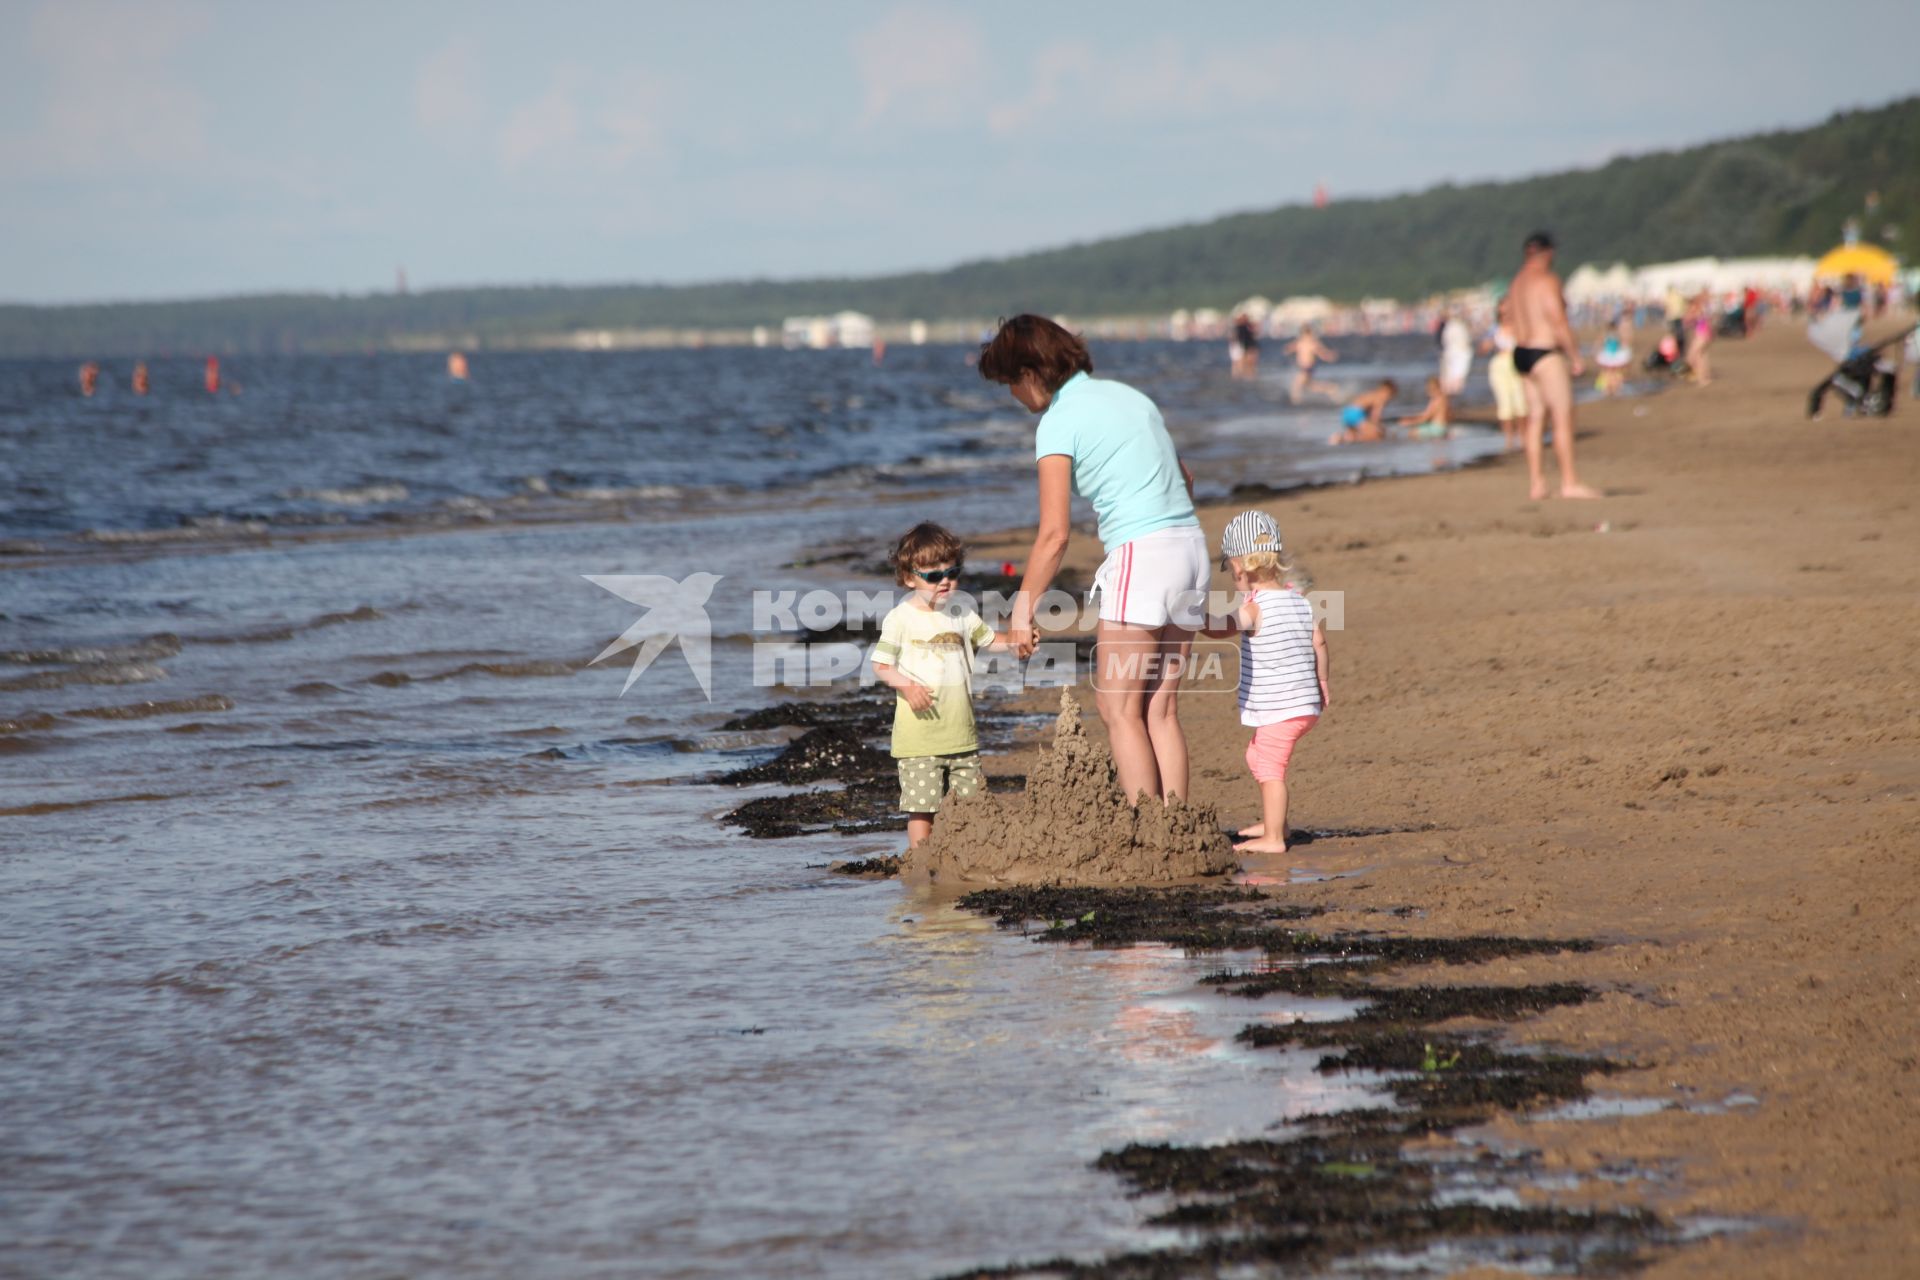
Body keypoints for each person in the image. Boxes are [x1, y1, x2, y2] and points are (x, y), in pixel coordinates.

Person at [979, 314, 1205, 804]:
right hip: (1190, 548)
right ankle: (1177, 826)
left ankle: (1150, 835)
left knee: (1118, 709)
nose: (1013, 396)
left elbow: (1055, 535)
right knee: (1160, 709)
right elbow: (1185, 478)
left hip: (1142, 558)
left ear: (1031, 372)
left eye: (1010, 383)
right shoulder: (1131, 397)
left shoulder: (1058, 421)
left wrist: (1022, 612)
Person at [870, 522, 1013, 849]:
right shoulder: (901, 618)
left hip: (961, 732)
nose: (944, 581)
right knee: (922, 810)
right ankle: (921, 862)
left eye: (952, 572)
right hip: (919, 737)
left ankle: (969, 855)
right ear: (909, 578)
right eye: (933, 576)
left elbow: (990, 641)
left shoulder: (962, 611)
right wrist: (906, 686)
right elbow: (881, 664)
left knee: (973, 805)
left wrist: (1018, 643)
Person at [1200, 511, 1327, 854]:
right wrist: (1322, 682)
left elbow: (1223, 627)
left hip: (1282, 707)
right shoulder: (1299, 601)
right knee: (1256, 755)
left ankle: (1274, 838)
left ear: (1240, 567)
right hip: (1304, 704)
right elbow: (1319, 642)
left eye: (1228, 568)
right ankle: (1276, 823)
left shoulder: (1257, 609)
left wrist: (1194, 618)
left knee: (1270, 765)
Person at [1507, 231, 1600, 500]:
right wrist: (1575, 356)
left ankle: (1537, 483)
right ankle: (1569, 482)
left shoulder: (1516, 283)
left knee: (1535, 418)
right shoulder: (1546, 280)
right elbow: (1558, 319)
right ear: (1547, 253)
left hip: (1521, 352)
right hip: (1545, 351)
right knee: (1563, 415)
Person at [1482, 300, 1528, 450]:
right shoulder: (1494, 329)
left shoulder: (1521, 326)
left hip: (1518, 362)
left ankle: (1523, 436)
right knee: (1504, 404)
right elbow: (1482, 348)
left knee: (1521, 402)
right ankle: (1509, 439)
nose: (1506, 314)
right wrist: (1488, 345)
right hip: (1500, 364)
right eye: (1503, 311)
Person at [1284, 325, 1341, 403]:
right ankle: (1330, 388)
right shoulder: (1299, 342)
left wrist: (1329, 356)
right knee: (1310, 386)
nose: (1309, 337)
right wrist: (1287, 349)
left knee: (1296, 387)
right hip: (1302, 368)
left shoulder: (1313, 344)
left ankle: (1296, 404)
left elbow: (1322, 353)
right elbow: (1290, 348)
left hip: (1306, 369)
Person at [1327, 379, 1396, 444]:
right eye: (1391, 396)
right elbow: (1375, 416)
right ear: (1387, 392)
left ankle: (1340, 438)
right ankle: (1340, 438)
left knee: (1352, 435)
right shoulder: (1381, 398)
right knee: (1375, 435)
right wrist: (1380, 428)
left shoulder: (1372, 394)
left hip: (1347, 412)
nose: (1390, 399)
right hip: (1356, 413)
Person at [1438, 308, 1472, 395]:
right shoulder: (1456, 326)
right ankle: (1452, 396)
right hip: (1458, 353)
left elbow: (1444, 341)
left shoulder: (1450, 326)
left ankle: (1451, 396)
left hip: (1454, 353)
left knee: (1452, 378)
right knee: (1455, 378)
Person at [1685, 292, 1714, 387]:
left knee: (1692, 357)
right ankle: (1705, 378)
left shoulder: (1696, 309)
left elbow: (1687, 320)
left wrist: (1688, 317)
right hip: (1706, 334)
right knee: (1701, 356)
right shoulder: (1703, 308)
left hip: (1702, 335)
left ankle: (1700, 378)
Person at [1230, 312, 1260, 381]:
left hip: (1249, 345)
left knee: (1249, 362)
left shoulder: (1247, 326)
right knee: (1242, 362)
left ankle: (1248, 375)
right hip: (1245, 345)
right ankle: (1243, 375)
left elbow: (1254, 333)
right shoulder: (1239, 327)